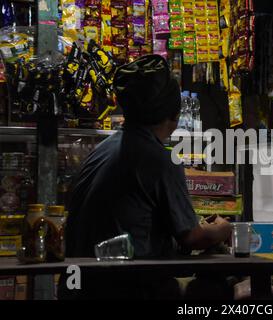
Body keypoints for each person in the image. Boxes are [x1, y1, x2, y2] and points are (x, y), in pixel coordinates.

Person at [57, 55, 232, 300]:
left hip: (76, 288)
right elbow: (193, 237)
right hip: (123, 291)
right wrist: (223, 229)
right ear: (174, 115)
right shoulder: (160, 159)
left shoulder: (101, 150)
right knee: (216, 289)